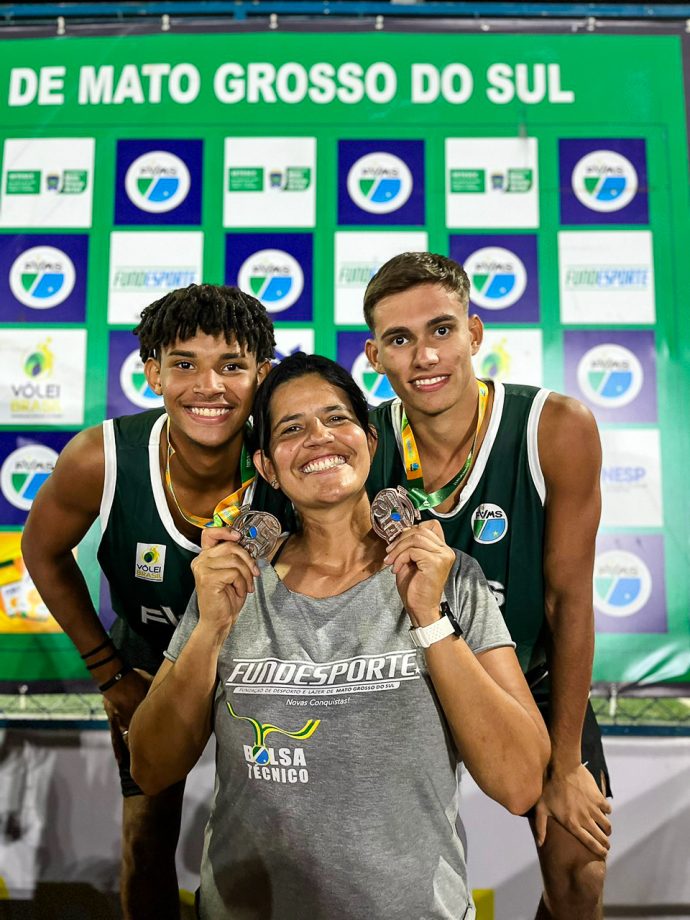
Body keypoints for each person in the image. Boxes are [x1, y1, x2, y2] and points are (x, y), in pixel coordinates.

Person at [128, 352, 550, 920]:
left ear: (370, 442)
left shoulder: (450, 577)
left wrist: (430, 620)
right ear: (268, 467)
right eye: (291, 428)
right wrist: (209, 631)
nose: (319, 438)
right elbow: (150, 768)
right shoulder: (231, 582)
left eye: (336, 419)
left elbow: (520, 782)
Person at [21, 283, 285, 920]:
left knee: (288, 845)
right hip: (150, 664)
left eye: (232, 365)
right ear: (152, 373)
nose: (208, 386)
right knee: (145, 841)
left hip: (267, 669)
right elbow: (40, 551)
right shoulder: (101, 457)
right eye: (184, 364)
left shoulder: (290, 456)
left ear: (263, 375)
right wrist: (108, 672)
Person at [362, 251, 612, 920]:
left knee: (580, 869)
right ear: (374, 357)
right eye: (399, 340)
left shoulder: (555, 428)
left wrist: (563, 763)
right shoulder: (358, 441)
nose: (423, 356)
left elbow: (568, 601)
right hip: (407, 676)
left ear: (474, 333)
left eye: (441, 330)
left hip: (527, 675)